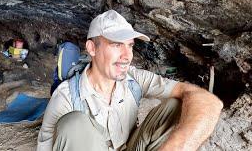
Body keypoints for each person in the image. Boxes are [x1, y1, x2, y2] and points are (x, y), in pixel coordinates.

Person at [37, 10, 223, 151]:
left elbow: (209, 102)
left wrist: (177, 146)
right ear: (92, 48)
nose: (127, 56)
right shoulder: (67, 97)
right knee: (74, 124)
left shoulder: (133, 79)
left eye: (130, 46)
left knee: (179, 105)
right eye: (117, 44)